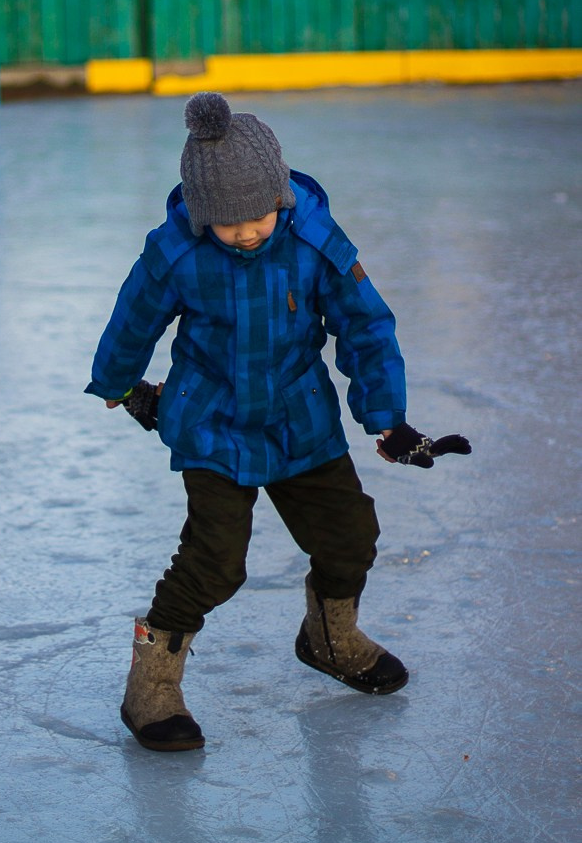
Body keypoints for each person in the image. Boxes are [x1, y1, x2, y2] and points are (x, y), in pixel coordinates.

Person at [85, 92, 470, 752]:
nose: (246, 232)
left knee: (350, 536)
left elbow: (365, 326)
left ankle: (329, 639)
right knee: (214, 565)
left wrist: (387, 420)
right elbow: (132, 319)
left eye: (257, 217)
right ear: (203, 215)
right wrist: (125, 388)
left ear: (279, 197)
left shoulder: (313, 239)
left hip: (299, 418)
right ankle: (152, 682)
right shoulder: (176, 251)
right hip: (212, 422)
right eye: (228, 224)